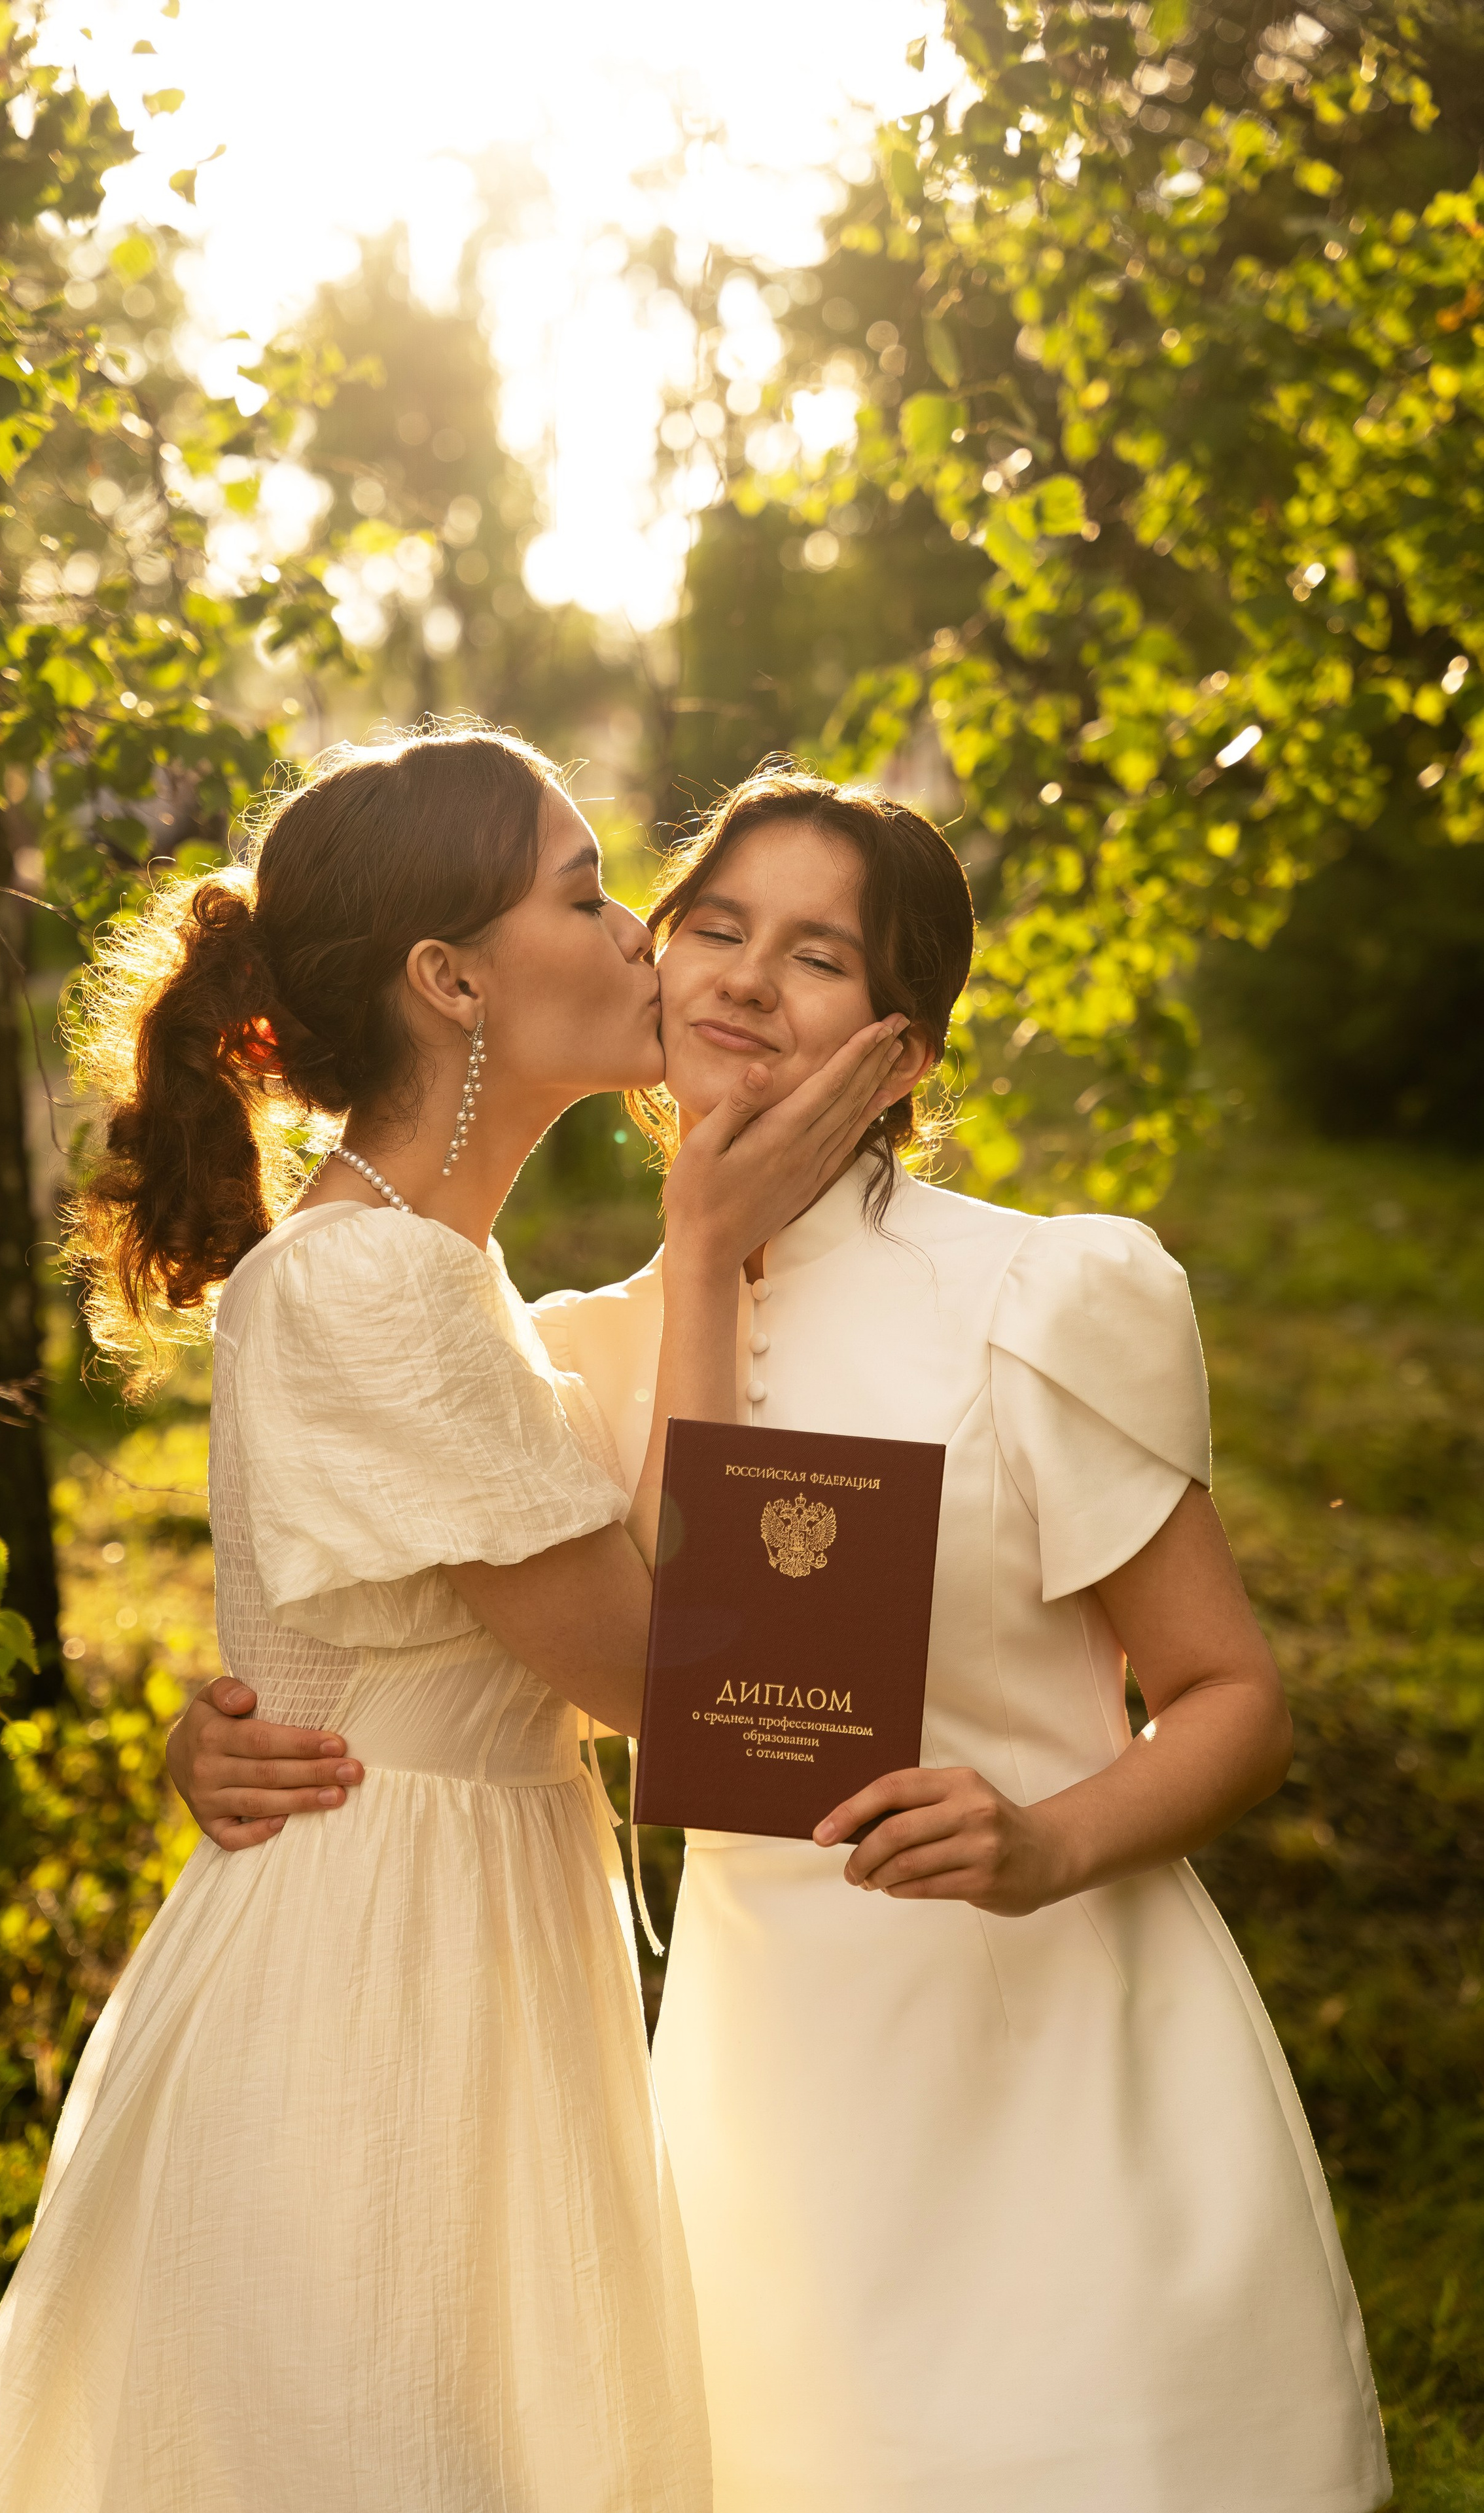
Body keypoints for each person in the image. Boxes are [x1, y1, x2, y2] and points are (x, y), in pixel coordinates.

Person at [176, 766, 1392, 2513]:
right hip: (764, 2109)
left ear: (898, 1055)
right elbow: (536, 1656)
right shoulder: (577, 1351)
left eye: (818, 958)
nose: (744, 978)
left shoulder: (1041, 1299)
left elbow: (1233, 1700)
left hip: (1058, 2055)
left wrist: (1050, 1836)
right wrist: (236, 1724)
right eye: (717, 926)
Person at [0, 729, 909, 2513]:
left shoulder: (431, 1274)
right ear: (450, 980)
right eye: (589, 894)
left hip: (458, 1924)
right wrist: (698, 1258)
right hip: (382, 1989)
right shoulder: (372, 1284)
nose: (644, 938)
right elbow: (681, 1697)